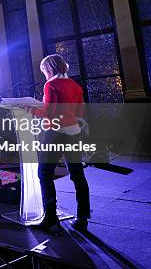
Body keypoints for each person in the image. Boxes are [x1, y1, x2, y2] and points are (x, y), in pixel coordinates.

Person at [29, 54, 90, 232]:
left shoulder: (51, 84)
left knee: (44, 173)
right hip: (73, 132)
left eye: (44, 71)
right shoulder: (75, 85)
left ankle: (50, 217)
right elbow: (80, 111)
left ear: (49, 69)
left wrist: (29, 108)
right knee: (78, 175)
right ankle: (83, 218)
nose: (45, 76)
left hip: (54, 133)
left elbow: (48, 112)